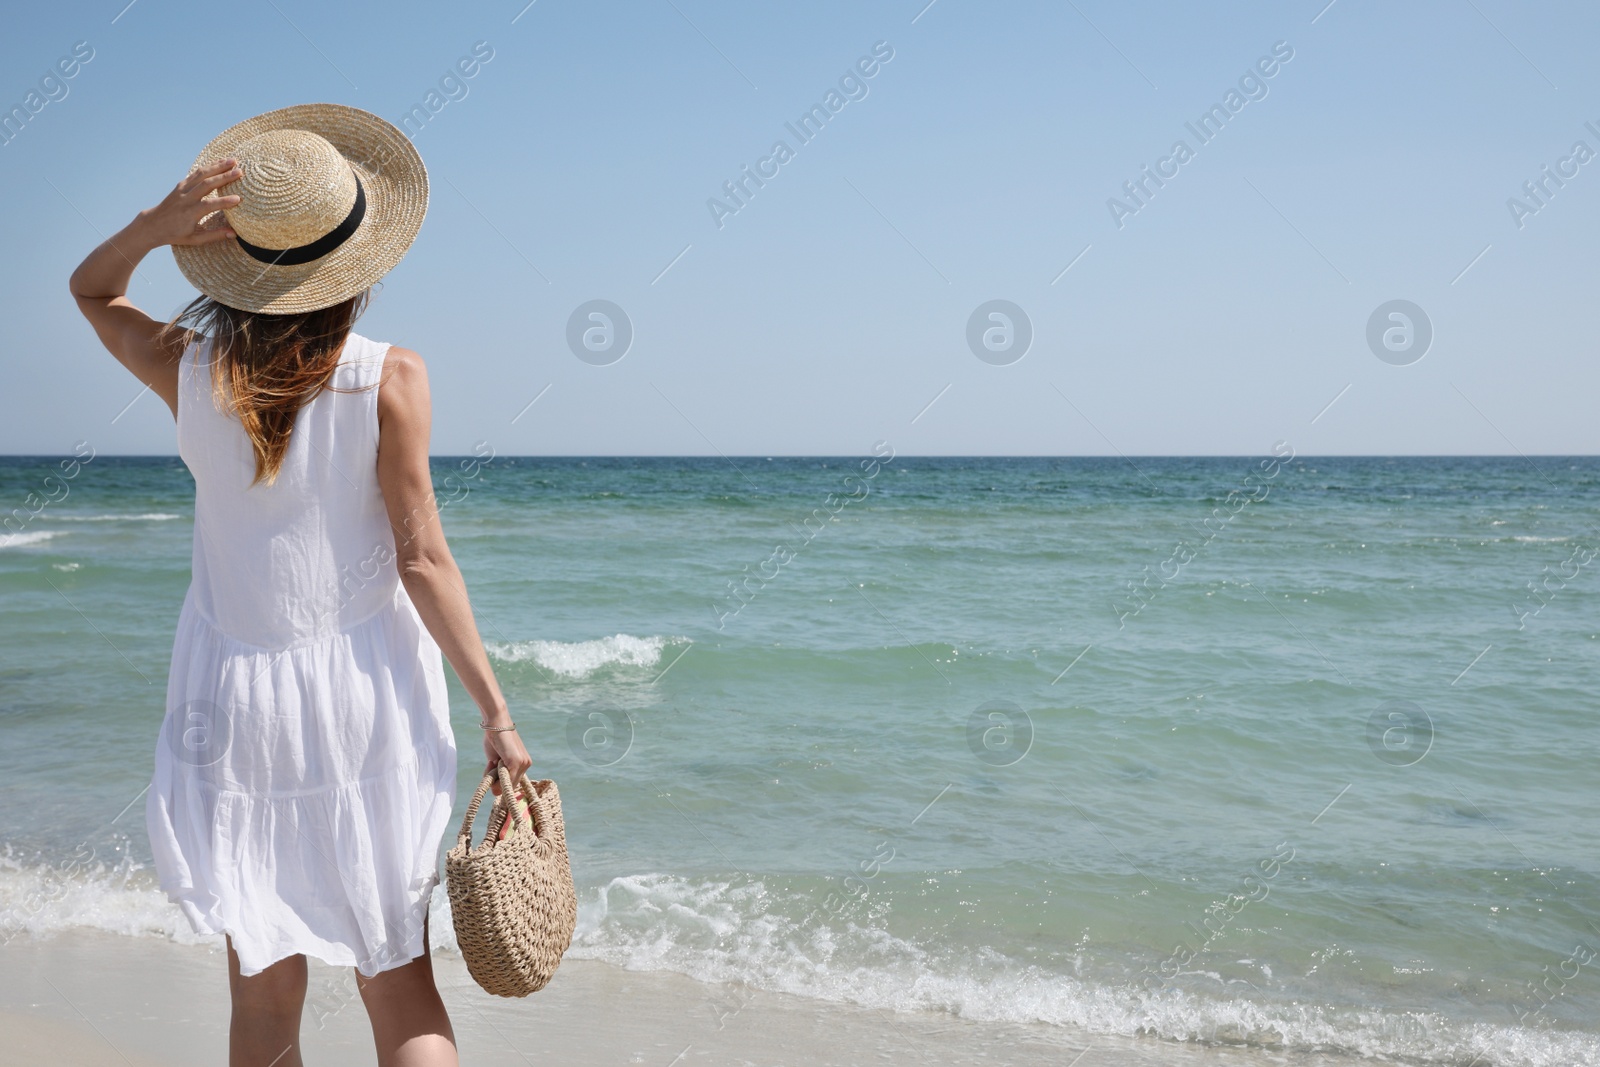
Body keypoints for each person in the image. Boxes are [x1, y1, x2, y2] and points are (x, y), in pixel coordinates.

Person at [67, 104, 530, 1067]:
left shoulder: (188, 369)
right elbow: (422, 558)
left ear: (235, 264)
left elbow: (91, 289)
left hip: (232, 704)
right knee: (399, 983)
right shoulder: (390, 376)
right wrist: (496, 711)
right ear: (352, 256)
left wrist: (157, 226)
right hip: (367, 701)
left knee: (264, 996)